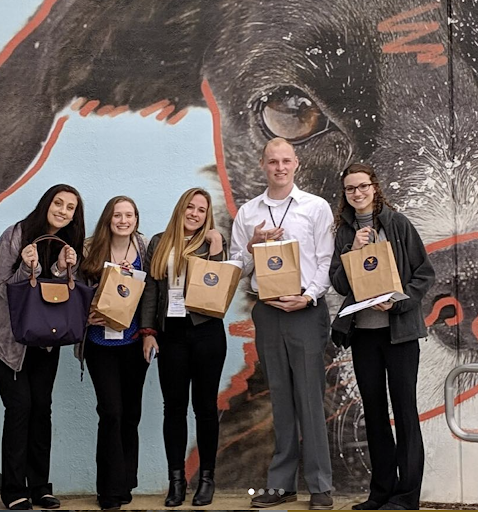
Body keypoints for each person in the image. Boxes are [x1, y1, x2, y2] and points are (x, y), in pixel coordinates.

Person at [230, 137, 334, 510]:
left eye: (285, 160)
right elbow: (237, 267)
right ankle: (281, 484)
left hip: (305, 310)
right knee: (279, 397)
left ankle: (321, 485)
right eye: (272, 161)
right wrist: (253, 245)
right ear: (262, 164)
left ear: (297, 164)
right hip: (268, 310)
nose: (279, 167)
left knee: (309, 397)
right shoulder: (248, 212)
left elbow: (326, 261)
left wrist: (308, 296)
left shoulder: (315, 208)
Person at [330, 163, 435, 511]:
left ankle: (407, 497)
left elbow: (424, 273)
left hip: (400, 335)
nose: (357, 193)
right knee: (373, 413)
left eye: (362, 186)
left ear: (374, 187)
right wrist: (352, 252)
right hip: (364, 336)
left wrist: (400, 301)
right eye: (350, 189)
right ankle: (380, 494)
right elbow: (340, 284)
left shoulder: (397, 223)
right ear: (344, 195)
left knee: (405, 412)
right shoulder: (345, 233)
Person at [0, 184, 85, 510]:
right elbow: (2, 290)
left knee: (42, 409)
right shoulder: (16, 236)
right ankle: (13, 490)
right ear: (47, 203)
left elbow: (58, 295)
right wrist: (28, 267)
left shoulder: (66, 245)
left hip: (45, 342)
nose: (63, 211)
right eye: (59, 203)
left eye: (70, 208)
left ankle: (40, 487)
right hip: (6, 342)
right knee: (20, 408)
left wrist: (62, 268)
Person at [140, 188, 227, 507]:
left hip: (206, 332)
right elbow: (150, 288)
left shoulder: (214, 242)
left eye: (201, 210)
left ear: (207, 216)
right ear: (180, 209)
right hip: (171, 334)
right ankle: (176, 481)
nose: (194, 213)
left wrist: (216, 252)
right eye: (190, 207)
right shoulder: (159, 242)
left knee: (205, 408)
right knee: (173, 408)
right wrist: (148, 331)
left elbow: (218, 287)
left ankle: (207, 479)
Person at [78, 196, 149, 510]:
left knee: (130, 415)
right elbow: (73, 289)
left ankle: (125, 483)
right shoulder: (89, 248)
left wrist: (149, 334)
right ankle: (107, 489)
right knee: (110, 413)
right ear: (108, 219)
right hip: (100, 344)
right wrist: (85, 312)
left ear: (136, 218)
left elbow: (153, 293)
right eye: (117, 215)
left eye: (129, 215)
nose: (123, 220)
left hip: (134, 343)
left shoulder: (145, 248)